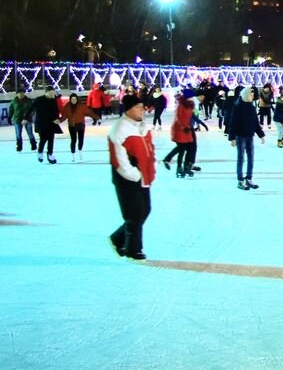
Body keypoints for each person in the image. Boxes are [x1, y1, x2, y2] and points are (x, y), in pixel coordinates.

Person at [108, 94, 156, 260]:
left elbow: (150, 150)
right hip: (126, 178)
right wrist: (135, 174)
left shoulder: (143, 127)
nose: (142, 110)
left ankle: (118, 239)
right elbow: (118, 160)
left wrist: (150, 170)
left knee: (145, 210)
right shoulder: (120, 129)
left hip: (144, 176)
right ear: (128, 110)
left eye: (142, 107)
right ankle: (133, 249)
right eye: (138, 107)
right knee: (134, 214)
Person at [228, 87, 265, 190]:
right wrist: (232, 138)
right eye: (250, 94)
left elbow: (256, 123)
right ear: (245, 95)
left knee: (251, 159)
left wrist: (261, 134)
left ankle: (249, 179)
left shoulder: (252, 107)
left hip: (250, 136)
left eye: (252, 95)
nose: (252, 96)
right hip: (240, 136)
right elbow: (233, 123)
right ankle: (240, 180)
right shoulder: (238, 107)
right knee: (241, 158)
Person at [164, 88, 197, 177]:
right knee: (182, 148)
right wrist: (184, 127)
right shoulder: (181, 105)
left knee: (184, 149)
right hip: (179, 129)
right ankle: (170, 161)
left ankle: (181, 167)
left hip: (187, 128)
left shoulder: (190, 104)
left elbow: (190, 116)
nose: (192, 98)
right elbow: (179, 117)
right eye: (191, 97)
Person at [61, 92, 99, 161]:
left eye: (75, 99)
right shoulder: (67, 107)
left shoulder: (81, 106)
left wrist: (96, 117)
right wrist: (59, 121)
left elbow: (89, 112)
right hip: (72, 125)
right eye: (72, 99)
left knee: (81, 140)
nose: (74, 101)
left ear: (77, 99)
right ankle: (73, 154)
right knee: (73, 140)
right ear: (70, 100)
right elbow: (64, 116)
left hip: (80, 125)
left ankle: (80, 152)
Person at [33, 86, 63, 164]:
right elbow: (31, 109)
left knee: (51, 139)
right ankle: (40, 152)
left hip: (51, 124)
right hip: (41, 124)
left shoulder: (53, 100)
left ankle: (50, 154)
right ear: (46, 92)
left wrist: (57, 119)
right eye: (50, 93)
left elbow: (55, 111)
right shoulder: (39, 100)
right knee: (43, 139)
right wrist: (25, 118)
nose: (52, 94)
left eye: (53, 93)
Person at [10, 88, 37, 153]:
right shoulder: (14, 101)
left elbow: (32, 110)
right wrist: (10, 117)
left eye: (22, 93)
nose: (21, 94)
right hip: (17, 119)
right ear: (17, 94)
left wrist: (28, 118)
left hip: (27, 119)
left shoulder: (29, 101)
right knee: (18, 134)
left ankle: (33, 144)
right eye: (19, 93)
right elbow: (11, 110)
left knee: (30, 133)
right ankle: (19, 146)